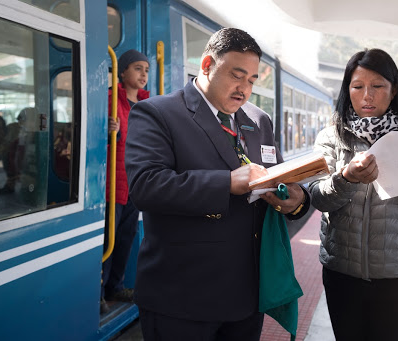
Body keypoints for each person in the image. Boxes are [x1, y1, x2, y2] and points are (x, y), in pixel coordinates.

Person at [125, 28, 310, 340]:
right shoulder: (158, 113)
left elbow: (277, 176)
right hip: (182, 298)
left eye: (252, 80)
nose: (244, 89)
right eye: (237, 76)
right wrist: (225, 183)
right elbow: (146, 186)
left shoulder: (258, 120)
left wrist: (296, 199)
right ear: (207, 63)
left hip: (247, 295)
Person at [309, 48, 398, 341]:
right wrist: (346, 178)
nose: (367, 96)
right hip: (341, 273)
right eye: (358, 86)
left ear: (393, 89)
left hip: (396, 278)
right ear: (347, 90)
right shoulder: (331, 137)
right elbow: (316, 197)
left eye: (377, 86)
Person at [100, 49, 150, 314]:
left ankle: (115, 287)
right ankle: (98, 292)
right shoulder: (110, 100)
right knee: (108, 239)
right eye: (137, 68)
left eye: (146, 70)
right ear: (122, 72)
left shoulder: (145, 105)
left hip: (135, 183)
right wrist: (107, 130)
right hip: (113, 182)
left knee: (126, 238)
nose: (143, 74)